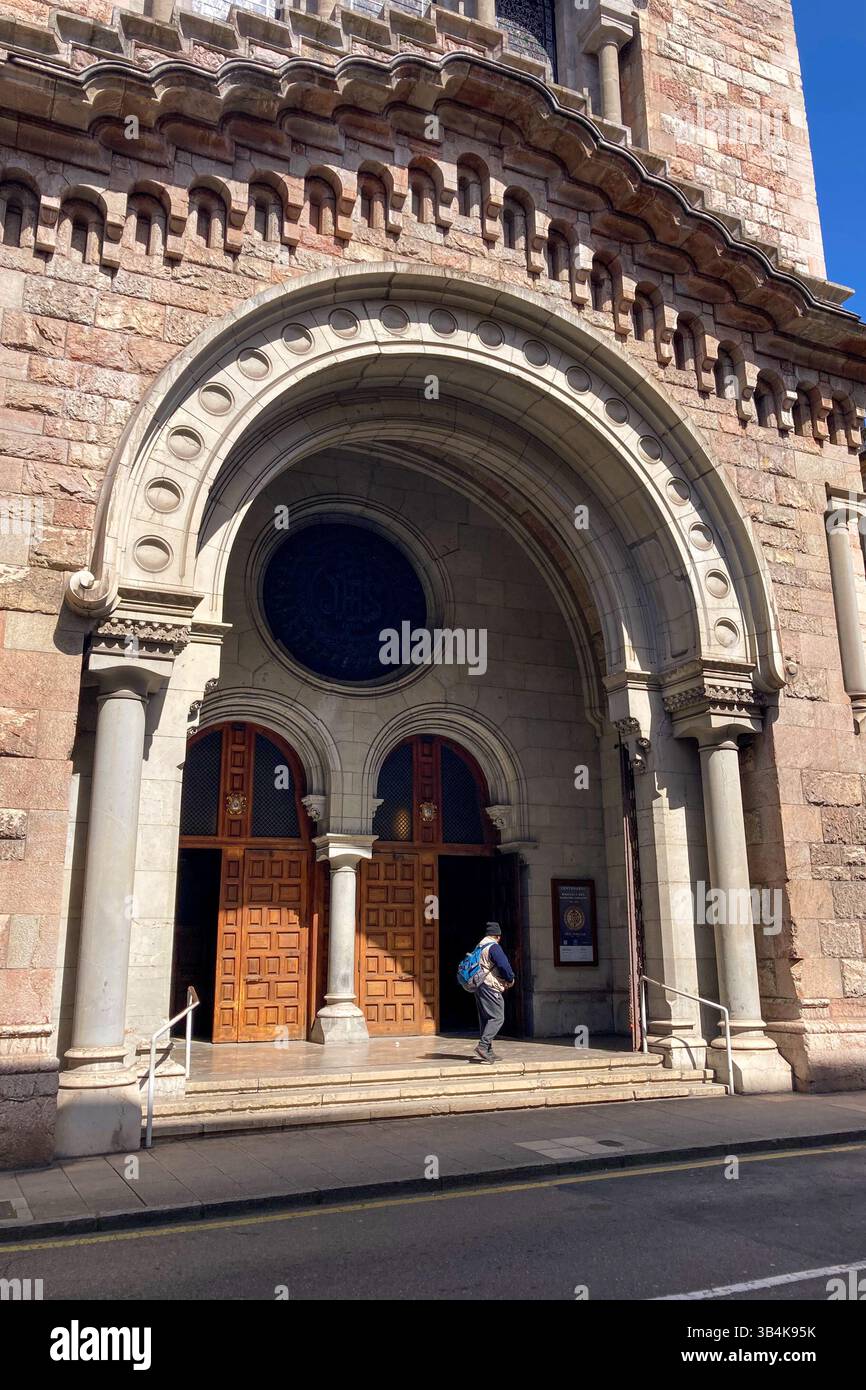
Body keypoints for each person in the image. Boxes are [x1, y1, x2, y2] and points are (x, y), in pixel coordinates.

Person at [470, 921, 515, 1063]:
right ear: (498, 936)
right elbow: (503, 965)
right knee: (497, 1017)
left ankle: (488, 1050)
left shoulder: (480, 945)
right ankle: (483, 1046)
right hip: (490, 985)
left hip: (479, 984)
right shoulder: (493, 947)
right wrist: (510, 979)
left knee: (486, 1017)